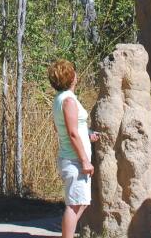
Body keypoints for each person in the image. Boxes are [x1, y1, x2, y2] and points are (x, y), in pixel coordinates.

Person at [49, 59, 99, 238]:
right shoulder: (69, 100)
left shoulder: (59, 99)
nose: (76, 75)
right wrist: (85, 160)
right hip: (74, 160)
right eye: (73, 72)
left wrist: (88, 134)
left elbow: (61, 127)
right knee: (75, 204)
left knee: (81, 202)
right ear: (71, 77)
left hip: (69, 157)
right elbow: (72, 133)